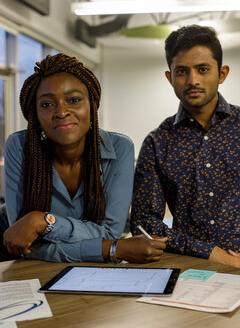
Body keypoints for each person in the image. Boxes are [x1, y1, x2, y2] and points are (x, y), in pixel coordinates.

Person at [2, 53, 167, 263]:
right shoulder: (19, 147)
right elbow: (22, 243)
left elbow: (110, 233)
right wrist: (109, 250)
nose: (61, 112)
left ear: (92, 104)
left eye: (73, 100)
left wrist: (44, 222)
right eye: (46, 104)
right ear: (34, 113)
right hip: (24, 267)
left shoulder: (120, 149)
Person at [130, 25, 240, 268]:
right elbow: (142, 222)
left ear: (221, 74)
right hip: (188, 267)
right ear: (170, 77)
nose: (193, 81)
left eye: (203, 69)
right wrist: (210, 252)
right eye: (182, 71)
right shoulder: (157, 142)